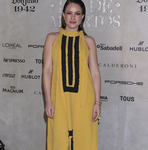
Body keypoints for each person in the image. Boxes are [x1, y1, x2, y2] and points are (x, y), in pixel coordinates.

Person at [43, 0, 101, 149]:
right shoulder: (52, 38)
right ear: (63, 15)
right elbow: (47, 70)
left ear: (82, 17)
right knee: (58, 143)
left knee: (85, 143)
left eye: (77, 14)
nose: (73, 17)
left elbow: (95, 73)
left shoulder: (89, 41)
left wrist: (96, 103)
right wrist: (48, 100)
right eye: (69, 13)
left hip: (84, 101)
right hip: (59, 100)